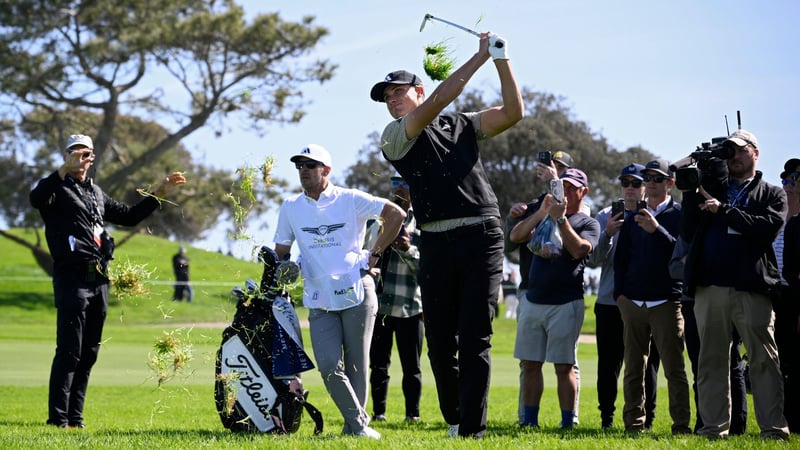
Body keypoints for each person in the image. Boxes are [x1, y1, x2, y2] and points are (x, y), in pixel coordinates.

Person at [370, 31, 523, 438]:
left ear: (416, 89)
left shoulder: (464, 124)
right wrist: (479, 58)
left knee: (475, 334)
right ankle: (457, 418)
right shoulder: (394, 137)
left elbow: (512, 112)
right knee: (438, 343)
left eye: (399, 92)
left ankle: (472, 429)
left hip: (482, 235)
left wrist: (502, 60)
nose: (392, 100)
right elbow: (439, 100)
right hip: (435, 240)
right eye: (387, 98)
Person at [30, 134, 185, 429]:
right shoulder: (55, 189)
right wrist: (62, 170)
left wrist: (160, 191)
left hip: (99, 279)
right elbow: (35, 199)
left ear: (92, 157)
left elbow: (129, 216)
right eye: (74, 152)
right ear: (66, 156)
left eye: (85, 153)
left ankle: (75, 417)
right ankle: (58, 419)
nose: (81, 157)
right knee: (69, 351)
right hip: (71, 278)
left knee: (89, 352)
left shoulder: (96, 193)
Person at [273, 144, 405, 440]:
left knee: (357, 363)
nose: (303, 170)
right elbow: (281, 250)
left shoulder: (350, 199)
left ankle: (353, 429)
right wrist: (283, 265)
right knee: (330, 365)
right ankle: (360, 424)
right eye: (299, 166)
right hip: (319, 297)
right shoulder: (291, 207)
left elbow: (395, 215)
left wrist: (374, 254)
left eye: (310, 165)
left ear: (326, 170)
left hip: (357, 290)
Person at [681, 129, 790, 440]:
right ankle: (714, 428)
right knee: (711, 362)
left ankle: (773, 429)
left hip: (752, 287)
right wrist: (692, 191)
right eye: (729, 151)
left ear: (755, 153)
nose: (735, 156)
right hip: (710, 286)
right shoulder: (710, 187)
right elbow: (688, 231)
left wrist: (723, 210)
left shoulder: (771, 192)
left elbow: (766, 229)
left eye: (741, 150)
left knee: (764, 361)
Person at [509, 168, 599, 429]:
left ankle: (567, 422)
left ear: (584, 192)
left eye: (573, 188)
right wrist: (542, 213)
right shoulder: (545, 215)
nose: (567, 193)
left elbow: (581, 249)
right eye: (564, 187)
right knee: (530, 363)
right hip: (534, 299)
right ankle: (529, 420)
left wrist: (561, 220)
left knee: (563, 365)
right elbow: (515, 236)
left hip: (566, 302)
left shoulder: (588, 222)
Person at [613, 159, 691, 435]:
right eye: (647, 178)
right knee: (634, 369)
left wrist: (657, 230)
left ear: (670, 183)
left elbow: (681, 253)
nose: (650, 183)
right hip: (632, 302)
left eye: (657, 179)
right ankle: (634, 425)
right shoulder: (634, 215)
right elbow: (620, 260)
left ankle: (681, 426)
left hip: (667, 302)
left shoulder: (680, 214)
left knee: (674, 369)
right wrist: (620, 296)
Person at [586, 163, 661, 430]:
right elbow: (592, 259)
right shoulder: (606, 215)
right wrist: (607, 233)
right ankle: (607, 418)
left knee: (647, 364)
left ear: (644, 187)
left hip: (644, 301)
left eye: (635, 183)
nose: (629, 188)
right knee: (608, 365)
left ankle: (647, 419)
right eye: (625, 183)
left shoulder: (653, 215)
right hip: (609, 301)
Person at [670, 235, 748, 434]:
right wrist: (703, 266)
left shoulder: (728, 227)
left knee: (732, 362)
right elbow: (674, 268)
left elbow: (730, 264)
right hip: (692, 302)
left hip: (730, 300)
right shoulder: (689, 233)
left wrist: (695, 263)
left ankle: (737, 426)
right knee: (700, 365)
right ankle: (704, 422)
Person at [364, 174, 424, 424]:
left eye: (405, 183)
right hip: (379, 305)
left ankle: (413, 415)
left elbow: (427, 269)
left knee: (412, 367)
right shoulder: (375, 222)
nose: (399, 188)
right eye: (395, 183)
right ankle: (379, 413)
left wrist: (407, 249)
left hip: (410, 306)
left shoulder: (422, 224)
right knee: (378, 366)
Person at [776, 157, 800, 432]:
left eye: (793, 179)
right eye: (785, 180)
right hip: (778, 293)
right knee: (783, 360)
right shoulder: (778, 218)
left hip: (796, 293)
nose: (788, 185)